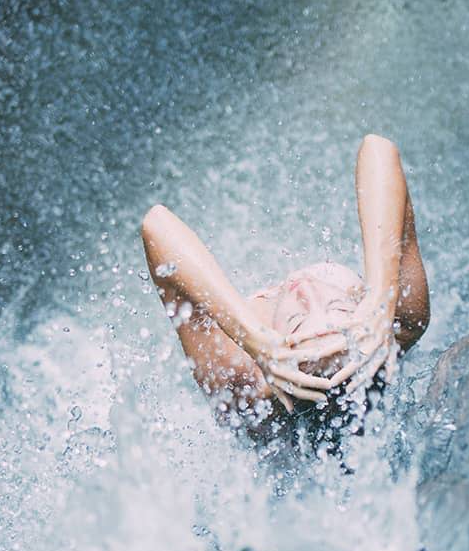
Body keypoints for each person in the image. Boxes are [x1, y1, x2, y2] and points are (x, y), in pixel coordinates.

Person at [140, 134, 430, 432]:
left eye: (295, 321)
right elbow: (377, 148)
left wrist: (252, 339)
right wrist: (381, 296)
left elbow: (156, 224)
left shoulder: (242, 381)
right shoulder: (397, 324)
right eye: (338, 305)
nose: (305, 288)